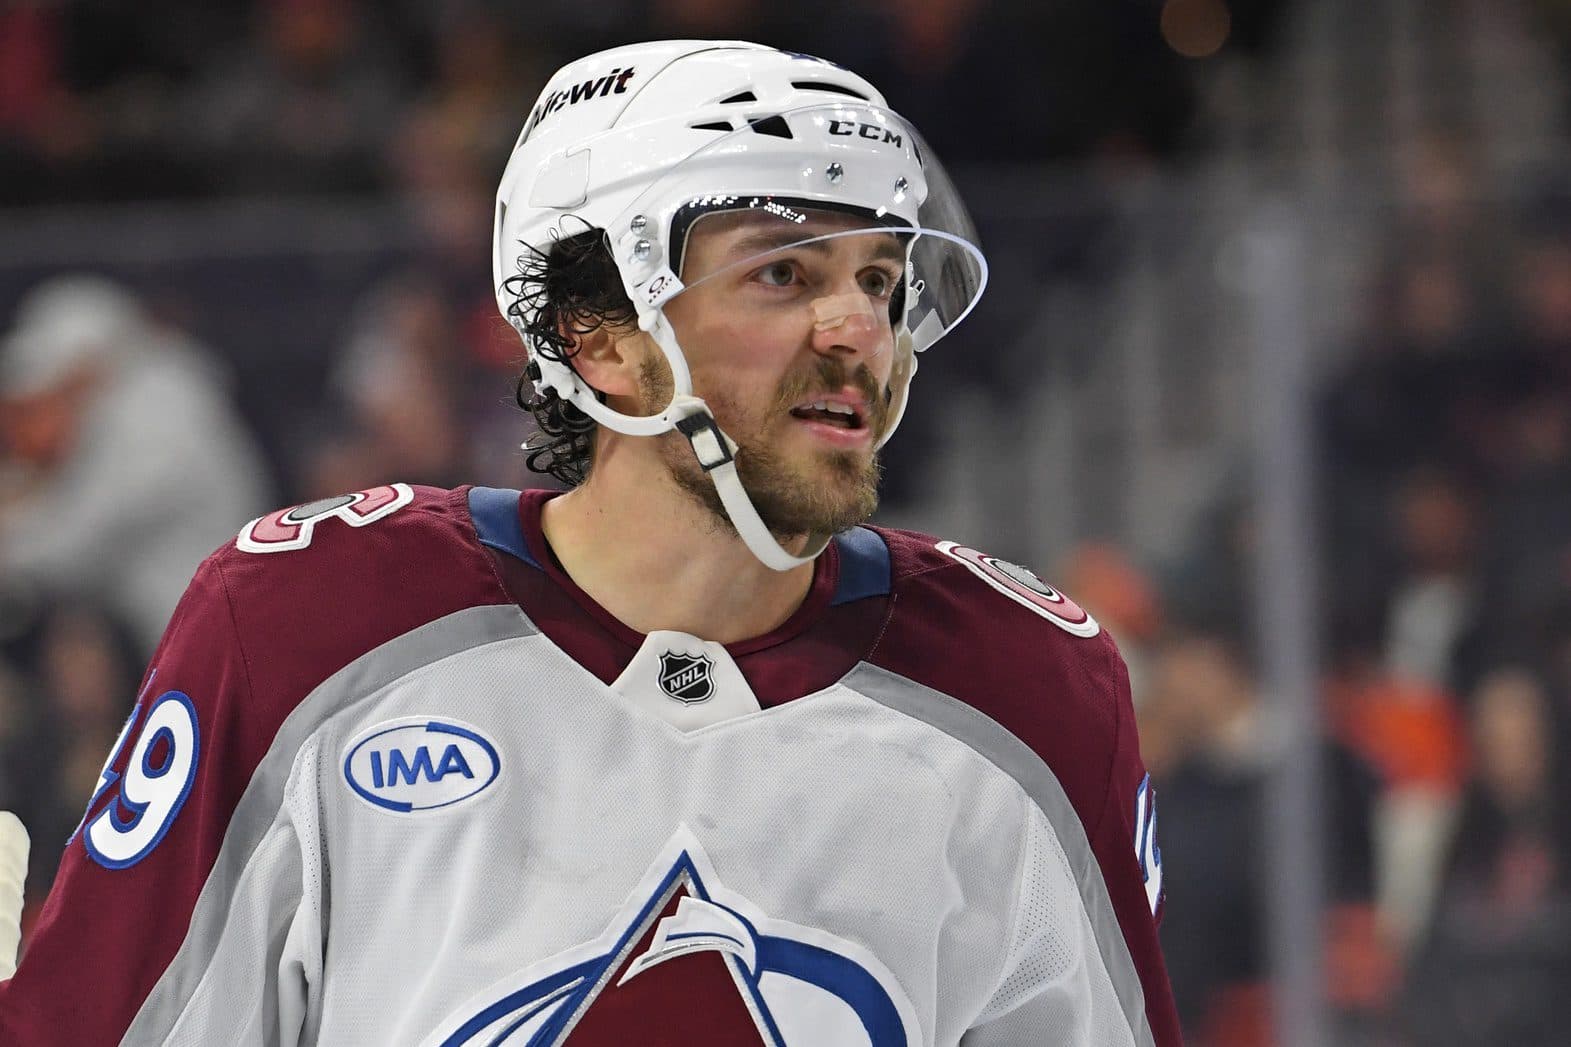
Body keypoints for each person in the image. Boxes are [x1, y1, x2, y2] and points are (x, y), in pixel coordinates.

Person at [0, 41, 1179, 1045]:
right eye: (782, 273)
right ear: (598, 335)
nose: (857, 328)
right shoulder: (310, 629)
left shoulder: (1028, 692)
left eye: (877, 277)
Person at [0, 275, 271, 655]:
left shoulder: (163, 406)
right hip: (168, 636)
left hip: (223, 643)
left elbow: (75, 543)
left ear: (93, 361)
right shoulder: (125, 406)